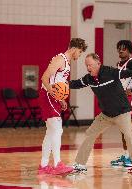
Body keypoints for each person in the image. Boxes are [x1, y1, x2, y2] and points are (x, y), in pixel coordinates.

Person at [69, 53, 132, 176]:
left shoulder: (110, 72)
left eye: (90, 65)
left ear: (98, 64)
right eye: (86, 65)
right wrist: (61, 84)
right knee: (90, 134)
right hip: (105, 115)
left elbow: (125, 73)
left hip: (122, 112)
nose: (88, 67)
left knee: (129, 135)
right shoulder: (89, 78)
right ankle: (80, 164)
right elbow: (76, 83)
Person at [38, 38, 87, 175]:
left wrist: (61, 99)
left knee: (51, 132)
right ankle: (57, 163)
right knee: (57, 130)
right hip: (48, 95)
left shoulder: (67, 62)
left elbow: (58, 82)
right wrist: (51, 91)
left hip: (53, 98)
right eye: (80, 52)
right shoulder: (60, 58)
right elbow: (44, 77)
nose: (79, 55)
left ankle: (43, 165)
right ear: (74, 48)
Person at [110, 40, 132, 167]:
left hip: (131, 99)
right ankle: (126, 155)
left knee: (131, 129)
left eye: (124, 49)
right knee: (123, 129)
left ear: (129, 51)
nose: (121, 51)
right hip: (121, 99)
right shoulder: (118, 64)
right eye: (119, 48)